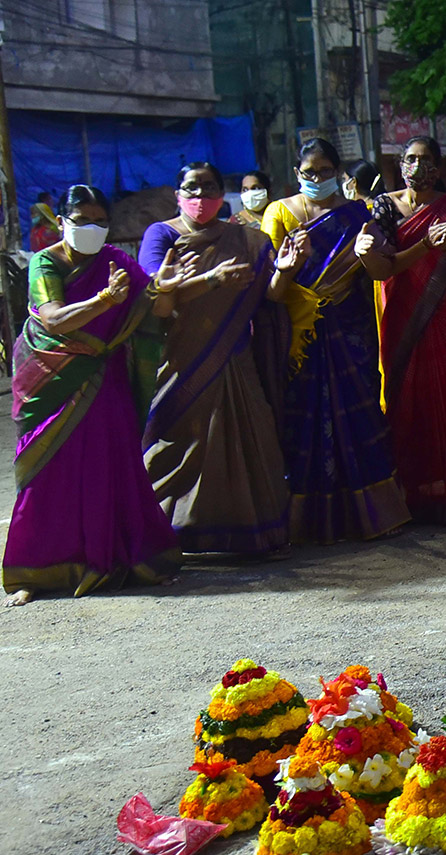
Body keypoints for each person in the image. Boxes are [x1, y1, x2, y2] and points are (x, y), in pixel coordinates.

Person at [3, 185, 189, 606]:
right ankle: (34, 570)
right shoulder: (45, 262)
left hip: (106, 382)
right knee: (46, 473)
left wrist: (163, 287)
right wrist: (104, 300)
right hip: (53, 381)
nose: (92, 228)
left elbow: (153, 310)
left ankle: (134, 558)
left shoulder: (118, 262)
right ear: (62, 221)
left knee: (114, 468)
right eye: (82, 220)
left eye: (100, 221)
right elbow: (52, 320)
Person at [138, 162, 292, 555]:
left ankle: (245, 532)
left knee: (248, 439)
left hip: (235, 360)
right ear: (177, 193)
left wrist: (287, 271)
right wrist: (210, 280)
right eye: (192, 188)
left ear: (223, 195)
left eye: (209, 187)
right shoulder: (162, 235)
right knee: (176, 445)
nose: (201, 197)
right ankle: (162, 533)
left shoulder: (248, 240)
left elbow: (270, 295)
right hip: (180, 358)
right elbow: (156, 295)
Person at [261, 138, 411, 541]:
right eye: (308, 173)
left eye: (325, 172)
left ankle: (374, 515)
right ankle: (306, 523)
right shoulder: (279, 214)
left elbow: (381, 273)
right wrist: (289, 268)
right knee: (304, 421)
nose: (316, 179)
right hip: (301, 338)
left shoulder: (358, 214)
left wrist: (368, 252)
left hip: (351, 332)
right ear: (296, 174)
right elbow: (272, 292)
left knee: (359, 412)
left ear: (338, 173)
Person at [355, 135, 446, 526]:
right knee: (409, 399)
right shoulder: (384, 208)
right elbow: (383, 267)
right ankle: (418, 497)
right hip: (404, 315)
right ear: (400, 165)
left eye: (425, 159)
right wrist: (421, 248)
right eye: (410, 159)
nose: (417, 167)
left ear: (438, 167)